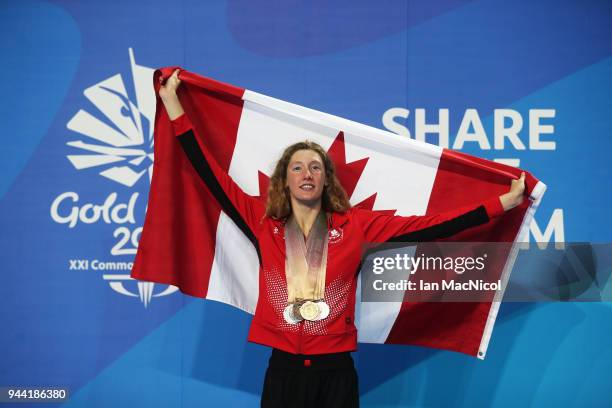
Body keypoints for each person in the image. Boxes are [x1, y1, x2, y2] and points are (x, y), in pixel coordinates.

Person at [158, 69, 526, 408]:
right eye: (297, 167)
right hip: (283, 370)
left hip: (335, 372)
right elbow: (208, 173)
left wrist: (500, 204)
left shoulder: (358, 226)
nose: (306, 173)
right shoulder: (261, 220)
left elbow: (435, 225)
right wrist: (174, 106)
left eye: (315, 167)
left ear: (325, 180)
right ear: (285, 180)